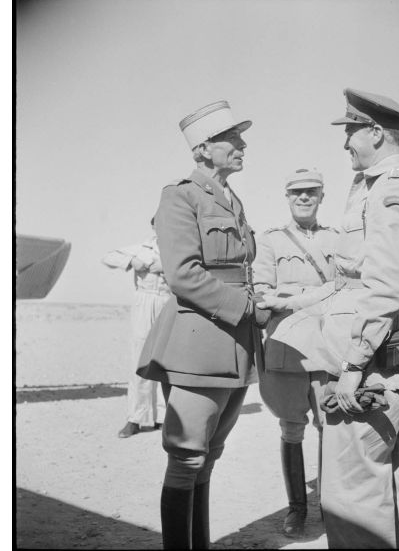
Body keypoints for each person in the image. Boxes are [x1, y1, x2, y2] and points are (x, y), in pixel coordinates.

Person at [258, 88, 399, 549]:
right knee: (393, 480)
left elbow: (385, 285)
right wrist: (295, 302)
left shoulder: (390, 190)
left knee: (352, 495)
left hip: (373, 362)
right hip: (392, 355)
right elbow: (354, 281)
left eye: (350, 131)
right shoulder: (396, 187)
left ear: (374, 132)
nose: (345, 142)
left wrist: (353, 365)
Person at [136, 100, 270, 550]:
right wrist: (248, 309)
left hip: (236, 344)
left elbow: (241, 269)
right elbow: (183, 275)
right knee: (187, 459)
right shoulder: (180, 196)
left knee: (208, 457)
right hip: (197, 344)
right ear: (203, 149)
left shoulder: (231, 198)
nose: (242, 144)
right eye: (232, 138)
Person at [252, 168, 338, 537]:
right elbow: (261, 291)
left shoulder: (337, 238)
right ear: (287, 197)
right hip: (287, 346)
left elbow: (343, 286)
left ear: (322, 197)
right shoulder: (270, 240)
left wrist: (292, 297)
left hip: (327, 345)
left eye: (311, 192)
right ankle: (297, 509)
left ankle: (333, 508)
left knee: (331, 427)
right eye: (297, 192)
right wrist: (311, 298)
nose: (304, 198)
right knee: (291, 428)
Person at [101, 221, 170, 438]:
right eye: (160, 223)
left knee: (166, 360)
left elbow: (192, 268)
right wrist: (132, 261)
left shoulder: (177, 248)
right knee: (140, 359)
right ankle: (136, 418)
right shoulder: (142, 248)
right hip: (144, 301)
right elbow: (109, 256)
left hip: (168, 301)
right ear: (154, 226)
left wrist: (166, 266)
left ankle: (163, 417)